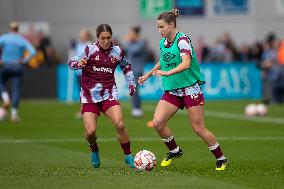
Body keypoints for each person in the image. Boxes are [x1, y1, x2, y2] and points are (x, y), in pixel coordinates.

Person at [138, 9, 229, 171]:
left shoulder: (183, 41)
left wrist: (167, 73)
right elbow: (164, 59)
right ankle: (175, 150)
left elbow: (186, 63)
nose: (159, 30)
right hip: (173, 90)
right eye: (157, 27)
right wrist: (148, 74)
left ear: (171, 24)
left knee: (198, 128)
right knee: (158, 123)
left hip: (190, 90)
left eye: (162, 27)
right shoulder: (163, 42)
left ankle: (221, 158)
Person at [68, 24, 136, 169]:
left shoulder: (118, 51)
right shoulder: (89, 50)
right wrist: (79, 63)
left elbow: (126, 66)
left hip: (109, 94)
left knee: (120, 124)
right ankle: (94, 149)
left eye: (108, 38)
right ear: (97, 38)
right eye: (102, 38)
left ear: (112, 37)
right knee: (90, 132)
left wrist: (131, 83)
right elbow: (71, 63)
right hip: (89, 96)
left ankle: (128, 155)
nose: (106, 41)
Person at [0, 21, 36, 122]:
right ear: (17, 29)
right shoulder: (21, 40)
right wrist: (24, 60)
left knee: (1, 83)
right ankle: (14, 115)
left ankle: (6, 99)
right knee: (16, 89)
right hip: (17, 66)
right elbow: (33, 51)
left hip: (5, 65)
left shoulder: (4, 38)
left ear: (9, 28)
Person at [124, 26, 148, 117]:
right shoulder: (132, 43)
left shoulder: (141, 42)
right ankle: (136, 108)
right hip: (130, 70)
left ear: (135, 34)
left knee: (134, 89)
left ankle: (137, 108)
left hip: (137, 69)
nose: (129, 35)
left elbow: (133, 50)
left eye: (131, 34)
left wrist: (127, 42)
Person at [73, 28, 93, 118]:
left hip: (87, 72)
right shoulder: (78, 45)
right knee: (81, 92)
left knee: (86, 92)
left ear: (86, 36)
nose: (81, 37)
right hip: (78, 72)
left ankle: (85, 110)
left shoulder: (90, 45)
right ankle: (84, 110)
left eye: (82, 35)